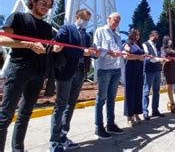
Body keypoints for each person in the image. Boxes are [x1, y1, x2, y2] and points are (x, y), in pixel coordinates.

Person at [0, 0, 56, 152]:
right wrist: (28, 44)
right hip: (19, 69)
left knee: (25, 114)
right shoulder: (18, 17)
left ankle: (18, 149)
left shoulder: (47, 27)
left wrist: (55, 49)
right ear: (33, 2)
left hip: (38, 73)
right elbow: (2, 39)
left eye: (49, 5)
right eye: (43, 3)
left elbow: (46, 48)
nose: (46, 7)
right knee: (6, 114)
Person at [49, 8, 96, 152]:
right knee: (61, 105)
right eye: (84, 18)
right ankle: (54, 142)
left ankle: (64, 136)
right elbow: (61, 47)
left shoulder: (87, 36)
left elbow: (88, 51)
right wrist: (83, 52)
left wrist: (94, 54)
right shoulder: (66, 29)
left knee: (71, 105)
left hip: (81, 72)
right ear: (77, 16)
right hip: (66, 71)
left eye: (88, 20)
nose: (86, 22)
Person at [93, 12, 124, 140]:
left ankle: (110, 124)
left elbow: (119, 50)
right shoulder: (100, 31)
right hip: (105, 69)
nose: (116, 23)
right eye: (114, 20)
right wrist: (109, 53)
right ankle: (99, 127)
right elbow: (96, 48)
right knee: (101, 99)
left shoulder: (117, 35)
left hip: (116, 69)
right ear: (108, 19)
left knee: (112, 99)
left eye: (118, 21)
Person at [123, 28, 145, 127]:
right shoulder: (127, 43)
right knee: (130, 93)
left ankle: (136, 114)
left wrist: (144, 56)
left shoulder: (139, 45)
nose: (138, 36)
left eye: (139, 34)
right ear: (132, 34)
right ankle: (129, 116)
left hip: (139, 70)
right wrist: (138, 57)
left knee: (138, 92)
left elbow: (142, 55)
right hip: (130, 70)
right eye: (136, 34)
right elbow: (126, 56)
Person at [142, 30, 165, 120]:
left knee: (156, 91)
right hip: (149, 71)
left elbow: (159, 56)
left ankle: (155, 110)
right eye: (155, 37)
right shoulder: (145, 44)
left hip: (157, 70)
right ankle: (145, 112)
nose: (157, 39)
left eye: (157, 37)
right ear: (151, 36)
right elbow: (148, 58)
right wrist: (159, 59)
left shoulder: (157, 46)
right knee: (146, 91)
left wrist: (161, 59)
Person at [161, 35, 175, 114]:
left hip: (173, 67)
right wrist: (172, 57)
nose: (170, 41)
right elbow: (165, 57)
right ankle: (172, 104)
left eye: (171, 40)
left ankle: (169, 103)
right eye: (169, 40)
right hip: (167, 68)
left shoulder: (172, 49)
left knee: (171, 86)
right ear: (166, 40)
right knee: (169, 86)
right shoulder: (163, 48)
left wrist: (174, 57)